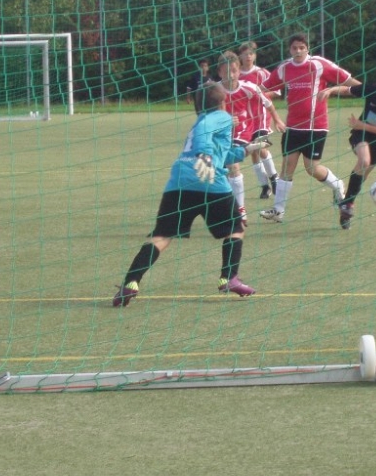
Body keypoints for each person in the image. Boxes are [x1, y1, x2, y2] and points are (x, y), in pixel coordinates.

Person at [112, 82, 273, 307]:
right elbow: (204, 135)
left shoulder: (201, 121)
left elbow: (224, 155)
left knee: (161, 236)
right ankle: (229, 277)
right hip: (210, 182)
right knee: (236, 229)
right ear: (222, 101)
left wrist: (250, 148)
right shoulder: (219, 117)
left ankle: (131, 282)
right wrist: (205, 156)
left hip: (179, 183)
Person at [259, 33, 360, 224]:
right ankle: (278, 210)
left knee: (311, 169)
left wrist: (368, 91)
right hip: (293, 127)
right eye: (294, 48)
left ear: (307, 49)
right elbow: (263, 88)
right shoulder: (284, 68)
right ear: (289, 49)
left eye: (301, 48)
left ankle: (338, 185)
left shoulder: (319, 64)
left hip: (316, 127)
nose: (298, 51)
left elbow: (346, 79)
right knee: (287, 166)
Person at [217, 50, 286, 227]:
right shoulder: (214, 91)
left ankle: (240, 210)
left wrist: (277, 120)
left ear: (239, 71)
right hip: (220, 136)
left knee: (233, 165)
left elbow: (268, 103)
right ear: (219, 72)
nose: (230, 75)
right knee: (222, 172)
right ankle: (230, 205)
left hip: (242, 132)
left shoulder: (249, 87)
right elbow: (204, 114)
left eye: (233, 71)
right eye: (226, 71)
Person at [329, 74, 376, 229]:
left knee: (361, 176)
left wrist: (362, 125)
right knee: (364, 161)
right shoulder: (373, 89)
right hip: (360, 134)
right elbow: (348, 90)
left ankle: (346, 205)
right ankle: (347, 205)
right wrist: (331, 90)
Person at [238, 41, 281, 199]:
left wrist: (259, 96)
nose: (248, 56)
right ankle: (264, 185)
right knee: (253, 151)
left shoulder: (262, 73)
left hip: (261, 116)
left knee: (260, 148)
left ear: (254, 56)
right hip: (245, 119)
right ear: (240, 56)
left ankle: (274, 178)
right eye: (245, 54)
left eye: (251, 53)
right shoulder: (237, 74)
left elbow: (276, 91)